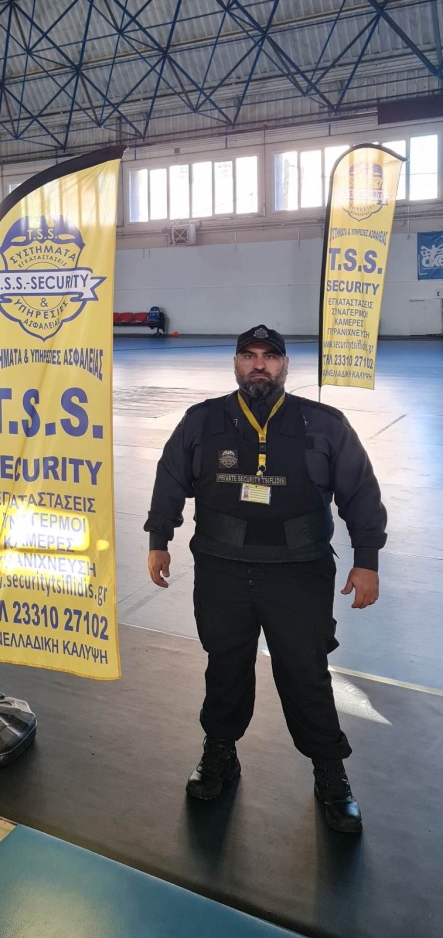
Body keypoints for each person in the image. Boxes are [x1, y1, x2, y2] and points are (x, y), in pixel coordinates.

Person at [144, 325, 385, 834]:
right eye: (249, 356)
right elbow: (170, 478)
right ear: (236, 363)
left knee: (305, 672)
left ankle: (329, 771)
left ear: (285, 366)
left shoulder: (324, 424)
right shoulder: (203, 420)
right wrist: (159, 538)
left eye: (270, 357)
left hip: (299, 572)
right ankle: (220, 752)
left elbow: (360, 491)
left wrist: (366, 559)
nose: (259, 365)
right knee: (225, 666)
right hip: (221, 568)